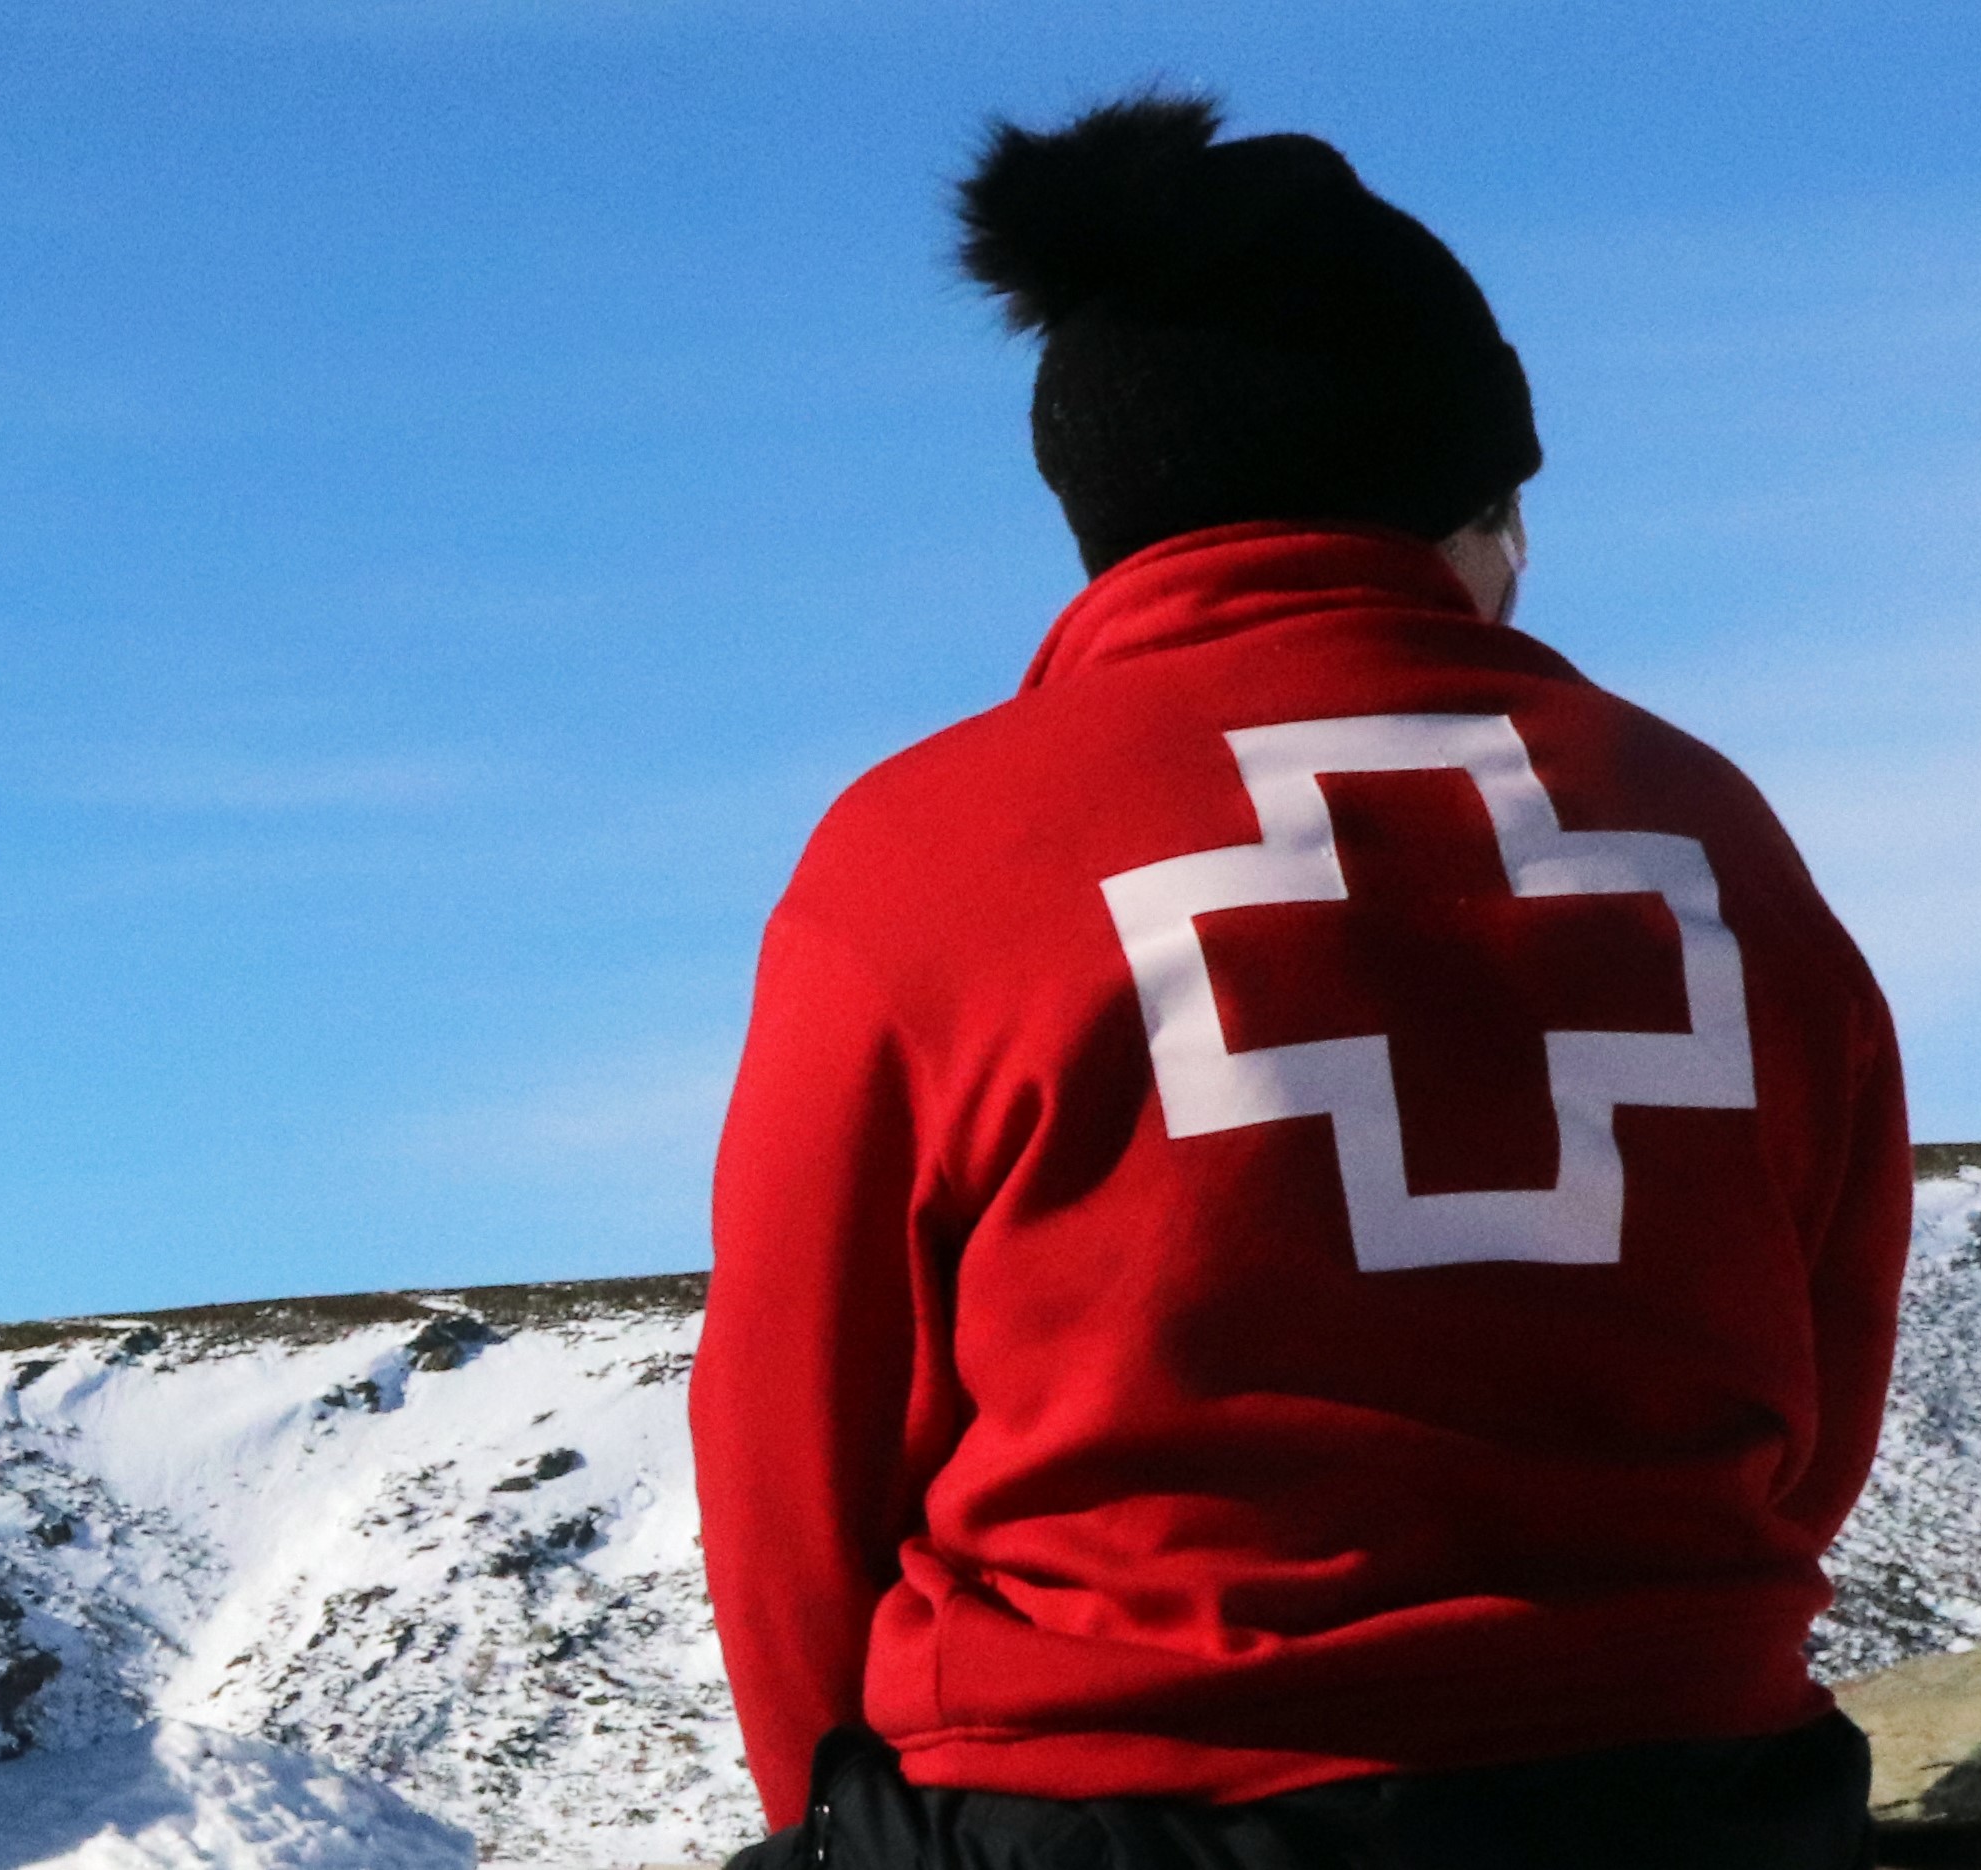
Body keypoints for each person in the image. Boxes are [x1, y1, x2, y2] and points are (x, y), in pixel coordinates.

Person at [693, 91, 1909, 1868]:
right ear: (1459, 504)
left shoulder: (926, 853)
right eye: (1511, 502)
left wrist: (824, 1812)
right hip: (1691, 1791)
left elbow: (795, 1424)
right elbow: (1828, 1350)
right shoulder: (1701, 821)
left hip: (1102, 1811)